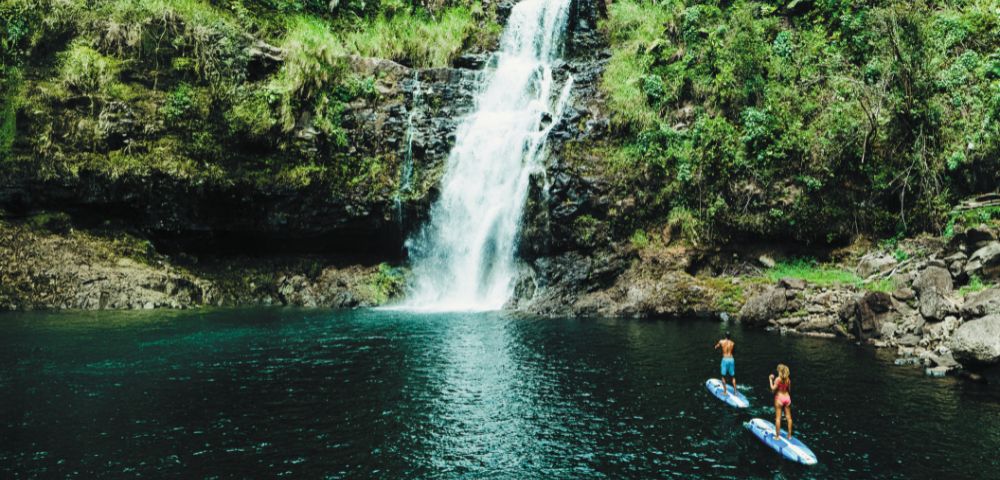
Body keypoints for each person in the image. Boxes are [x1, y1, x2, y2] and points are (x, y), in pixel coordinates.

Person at [769, 364, 793, 440]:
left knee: (778, 418)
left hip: (779, 398)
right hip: (787, 398)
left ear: (779, 371)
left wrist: (770, 380)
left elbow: (773, 389)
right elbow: (789, 390)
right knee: (789, 418)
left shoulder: (777, 379)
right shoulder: (788, 380)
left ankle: (777, 436)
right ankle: (789, 436)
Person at [714, 331, 736, 396]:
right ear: (730, 336)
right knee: (733, 376)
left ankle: (725, 392)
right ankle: (735, 392)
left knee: (723, 376)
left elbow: (716, 347)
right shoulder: (732, 343)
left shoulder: (721, 341)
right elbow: (733, 352)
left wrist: (716, 347)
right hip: (731, 359)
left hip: (725, 359)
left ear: (725, 335)